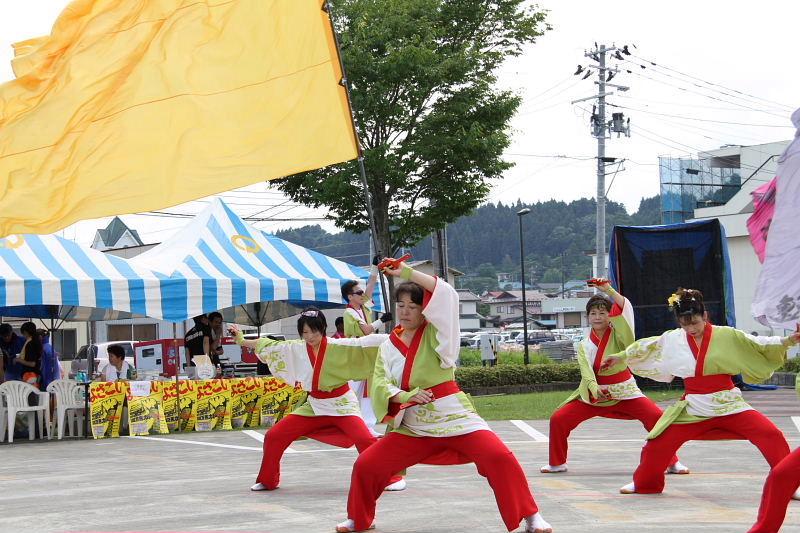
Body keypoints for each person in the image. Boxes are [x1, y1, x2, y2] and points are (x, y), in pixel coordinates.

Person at [336, 261, 552, 533]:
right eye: (400, 305)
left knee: (499, 457)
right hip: (414, 426)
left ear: (425, 308)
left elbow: (447, 295)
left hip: (455, 418)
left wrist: (407, 272)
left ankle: (531, 516)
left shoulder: (439, 334)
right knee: (367, 464)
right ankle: (359, 518)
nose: (405, 311)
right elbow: (380, 382)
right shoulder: (389, 345)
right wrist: (405, 395)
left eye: (412, 306)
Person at [604, 288, 800, 496]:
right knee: (657, 442)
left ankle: (791, 485)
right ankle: (645, 484)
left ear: (704, 316)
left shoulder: (727, 334)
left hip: (729, 403)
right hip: (694, 406)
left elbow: (757, 343)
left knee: (771, 435)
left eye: (695, 323)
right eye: (685, 324)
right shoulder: (673, 338)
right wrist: (621, 356)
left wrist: (790, 340)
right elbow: (647, 346)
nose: (691, 328)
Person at [230, 307, 404, 493]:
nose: (310, 336)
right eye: (305, 332)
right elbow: (267, 344)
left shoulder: (339, 346)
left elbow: (367, 343)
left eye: (314, 331)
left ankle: (391, 477)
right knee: (274, 436)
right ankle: (268, 480)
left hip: (342, 404)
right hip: (315, 405)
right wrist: (241, 340)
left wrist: (402, 335)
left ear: (323, 329)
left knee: (364, 439)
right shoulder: (296, 348)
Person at [540, 279, 687, 475]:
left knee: (656, 417)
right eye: (593, 313)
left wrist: (608, 290)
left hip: (625, 391)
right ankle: (557, 463)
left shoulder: (620, 336)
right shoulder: (584, 345)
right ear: (587, 317)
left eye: (603, 313)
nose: (598, 317)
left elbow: (625, 309)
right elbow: (586, 372)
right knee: (559, 419)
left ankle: (672, 462)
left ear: (611, 316)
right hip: (595, 394)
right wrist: (595, 389)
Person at [342, 265, 393, 438]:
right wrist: (381, 321)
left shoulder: (364, 307)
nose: (362, 294)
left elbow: (370, 287)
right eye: (358, 293)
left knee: (367, 391)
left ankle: (367, 426)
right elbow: (366, 330)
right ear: (350, 296)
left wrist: (374, 268)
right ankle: (346, 424)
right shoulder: (349, 312)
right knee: (351, 391)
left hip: (366, 354)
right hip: (355, 356)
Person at [15, 322, 43, 388]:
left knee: (30, 393)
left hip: (30, 375)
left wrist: (18, 360)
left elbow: (32, 364)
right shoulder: (36, 341)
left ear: (25, 332)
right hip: (36, 373)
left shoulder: (30, 344)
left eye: (23, 333)